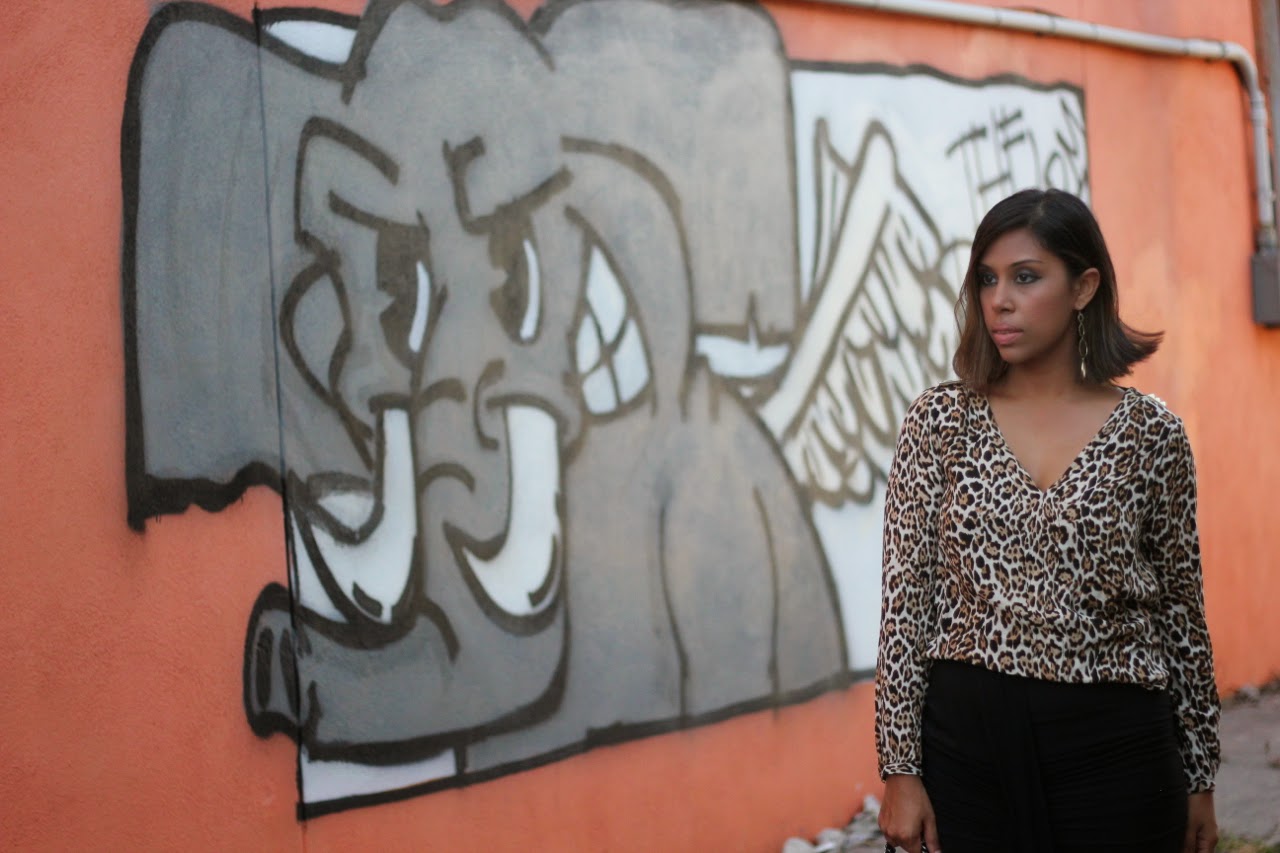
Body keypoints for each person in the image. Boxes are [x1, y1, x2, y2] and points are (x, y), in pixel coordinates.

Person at [874, 188, 1220, 853]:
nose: (999, 300)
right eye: (987, 279)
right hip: (967, 753)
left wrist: (1200, 775)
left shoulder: (1151, 435)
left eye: (1026, 277)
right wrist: (900, 769)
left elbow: (1182, 613)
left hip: (1117, 752)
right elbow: (905, 604)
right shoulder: (939, 422)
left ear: (1083, 287)